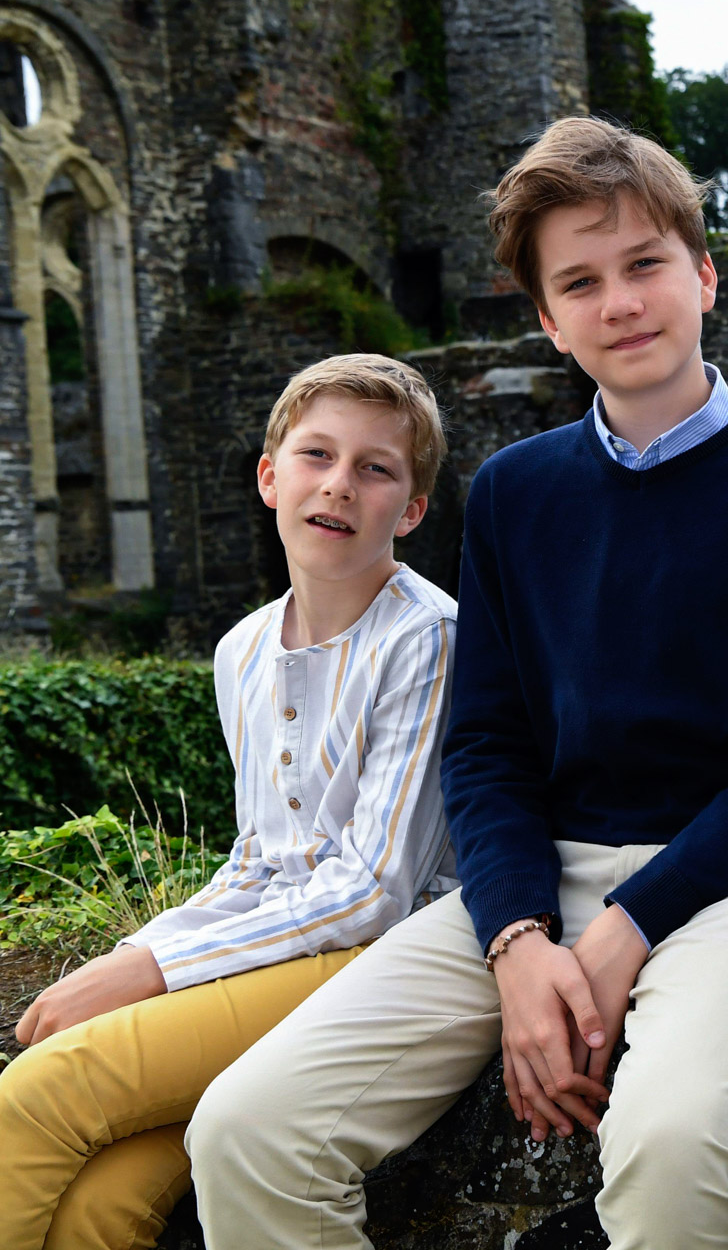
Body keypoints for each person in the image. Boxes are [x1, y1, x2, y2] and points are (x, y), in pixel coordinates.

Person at [185, 117, 728, 1250]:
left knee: (669, 1153)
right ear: (549, 321)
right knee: (250, 1129)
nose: (622, 302)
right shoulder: (516, 493)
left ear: (704, 273)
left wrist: (619, 937)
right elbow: (490, 744)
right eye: (581, 282)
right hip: (536, 888)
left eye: (646, 264)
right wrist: (518, 944)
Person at [0, 354, 457, 1250]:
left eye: (375, 469)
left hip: (385, 962)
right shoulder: (243, 648)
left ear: (410, 509)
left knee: (38, 1093)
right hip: (282, 952)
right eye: (316, 456)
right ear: (268, 476)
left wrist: (148, 973)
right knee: (101, 1206)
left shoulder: (428, 638)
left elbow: (374, 891)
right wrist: (147, 943)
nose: (337, 486)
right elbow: (258, 859)